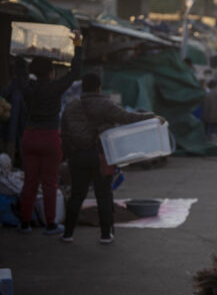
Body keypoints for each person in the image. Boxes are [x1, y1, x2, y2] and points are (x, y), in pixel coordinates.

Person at [59, 72, 161, 243]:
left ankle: (68, 233)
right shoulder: (106, 105)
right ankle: (106, 235)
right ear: (99, 88)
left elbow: (64, 135)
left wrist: (68, 156)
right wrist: (153, 117)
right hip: (101, 156)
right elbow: (128, 118)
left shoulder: (71, 107)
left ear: (83, 87)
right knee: (104, 195)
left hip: (77, 156)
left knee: (77, 194)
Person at [19, 34, 83, 235]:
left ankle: (25, 223)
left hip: (29, 136)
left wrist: (22, 52)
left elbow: (19, 70)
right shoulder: (55, 88)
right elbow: (75, 72)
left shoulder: (27, 88)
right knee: (49, 182)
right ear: (50, 72)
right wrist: (78, 46)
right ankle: (50, 224)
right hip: (49, 138)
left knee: (29, 182)